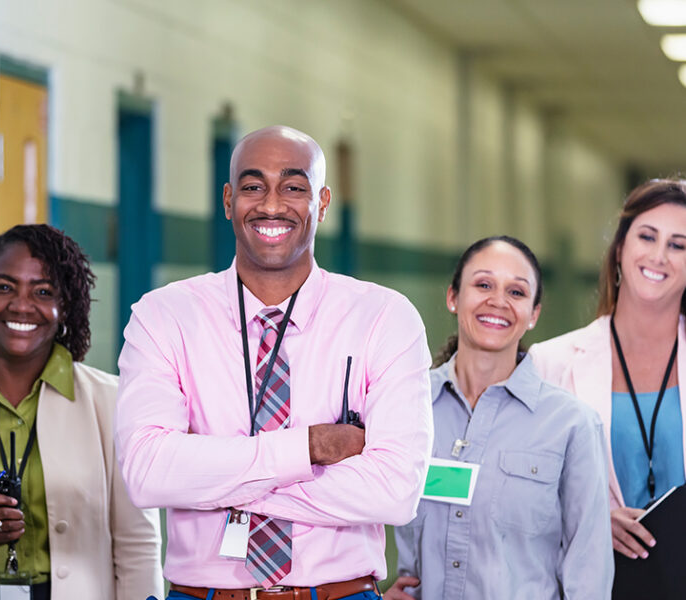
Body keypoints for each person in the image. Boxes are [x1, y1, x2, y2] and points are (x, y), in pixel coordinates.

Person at [115, 125, 434, 599]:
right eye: (252, 186)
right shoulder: (163, 317)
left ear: (322, 203)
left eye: (293, 187)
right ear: (228, 201)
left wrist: (214, 477)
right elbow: (146, 474)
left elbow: (395, 491)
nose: (270, 204)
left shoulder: (384, 319)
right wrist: (307, 448)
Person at [0, 224, 163, 600]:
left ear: (66, 304)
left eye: (43, 291)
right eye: (4, 287)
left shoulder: (111, 401)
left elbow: (138, 543)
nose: (21, 305)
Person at [385, 236, 612, 600]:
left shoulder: (572, 425)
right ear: (453, 297)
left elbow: (589, 572)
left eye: (517, 292)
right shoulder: (406, 406)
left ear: (534, 314)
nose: (498, 301)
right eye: (484, 284)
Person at [529, 178, 686, 563]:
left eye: (678, 245)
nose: (659, 256)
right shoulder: (549, 362)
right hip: (596, 580)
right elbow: (519, 493)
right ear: (619, 248)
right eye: (647, 237)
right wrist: (588, 519)